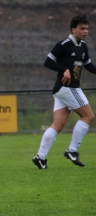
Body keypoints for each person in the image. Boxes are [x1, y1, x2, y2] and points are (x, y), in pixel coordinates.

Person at [32, 15, 95, 169]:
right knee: (88, 116)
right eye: (82, 28)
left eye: (87, 28)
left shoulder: (83, 46)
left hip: (63, 90)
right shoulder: (64, 44)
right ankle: (72, 150)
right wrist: (64, 69)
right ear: (73, 29)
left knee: (58, 124)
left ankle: (40, 157)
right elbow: (48, 61)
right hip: (68, 88)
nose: (85, 31)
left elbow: (89, 66)